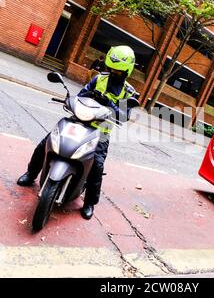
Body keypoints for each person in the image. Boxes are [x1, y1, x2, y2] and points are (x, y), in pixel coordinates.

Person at [17, 45, 137, 220]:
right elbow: (80, 95)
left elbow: (124, 116)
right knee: (47, 142)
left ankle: (89, 202)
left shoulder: (129, 92)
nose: (112, 73)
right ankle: (31, 174)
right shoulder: (99, 79)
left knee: (97, 164)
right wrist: (90, 93)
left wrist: (109, 104)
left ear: (126, 71)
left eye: (117, 71)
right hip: (80, 119)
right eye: (110, 69)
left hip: (100, 131)